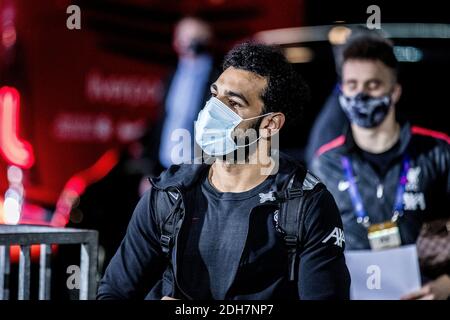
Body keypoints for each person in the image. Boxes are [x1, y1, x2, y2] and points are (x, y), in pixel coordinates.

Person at [97, 42, 350, 300]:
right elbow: (113, 293)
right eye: (214, 95)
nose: (213, 111)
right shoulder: (169, 194)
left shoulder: (306, 206)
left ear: (270, 124)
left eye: (233, 103)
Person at [311, 33, 450, 299]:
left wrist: (446, 285)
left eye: (373, 84)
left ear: (394, 91)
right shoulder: (324, 164)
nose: (360, 94)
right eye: (351, 84)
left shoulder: (438, 152)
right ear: (341, 90)